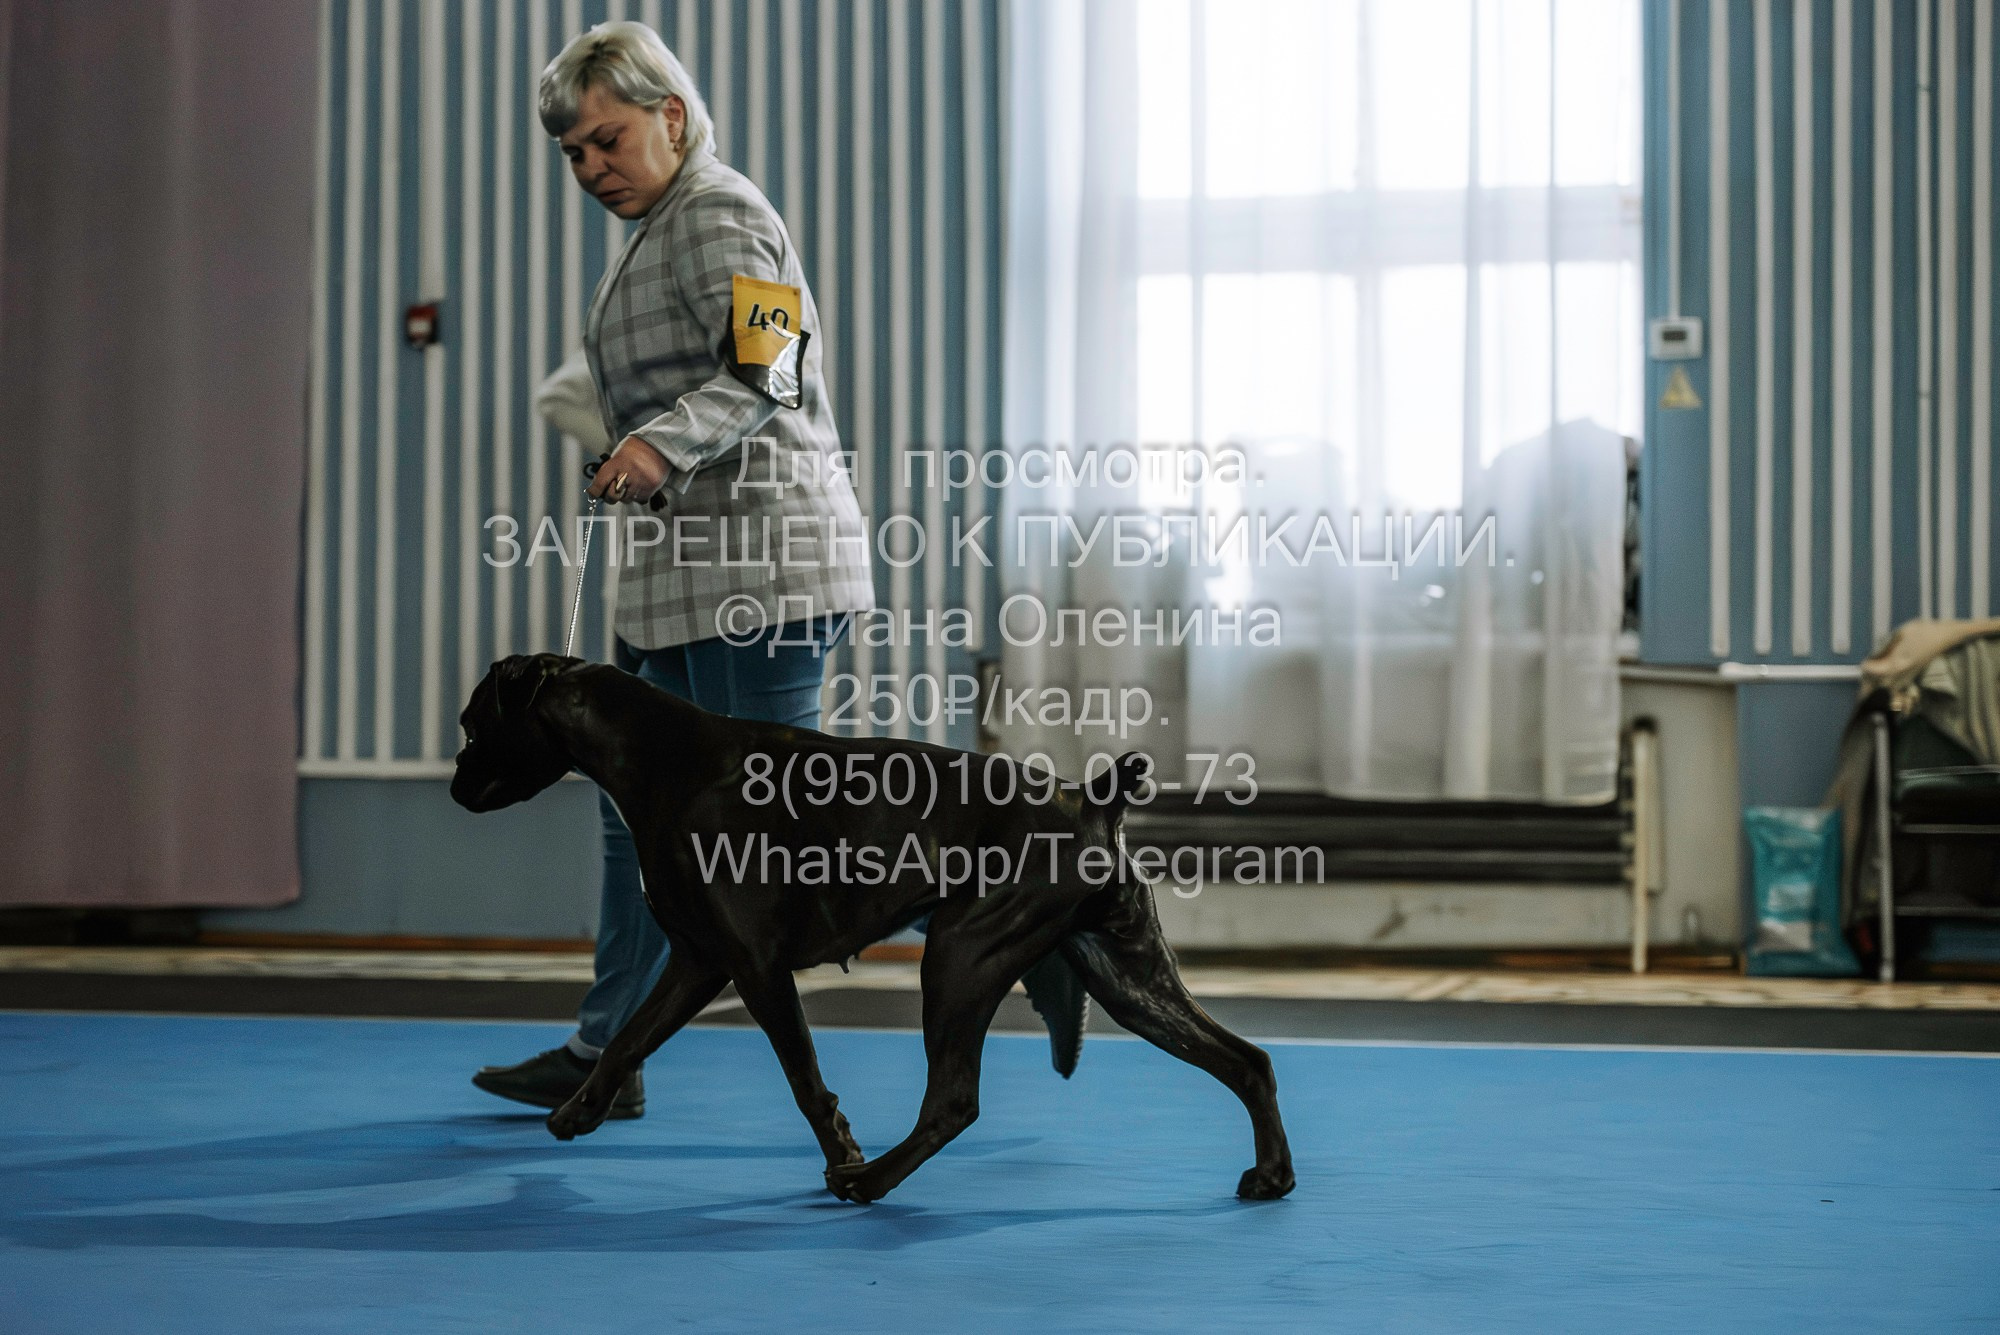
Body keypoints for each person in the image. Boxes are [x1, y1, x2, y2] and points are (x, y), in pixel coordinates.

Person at [472, 21, 1086, 1118]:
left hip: (761, 571)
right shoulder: (656, 229)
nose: (591, 166)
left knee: (783, 838)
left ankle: (1038, 934)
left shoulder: (720, 211)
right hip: (676, 581)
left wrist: (659, 444)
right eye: (572, 153)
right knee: (630, 825)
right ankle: (605, 1051)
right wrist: (633, 442)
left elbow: (774, 365)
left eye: (607, 140)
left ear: (671, 116)